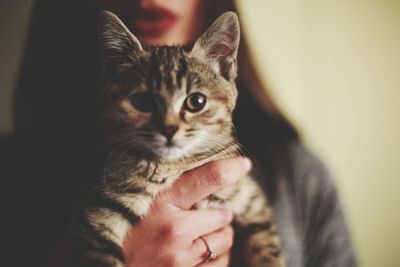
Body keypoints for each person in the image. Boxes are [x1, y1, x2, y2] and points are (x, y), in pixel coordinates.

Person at [7, 0, 358, 266]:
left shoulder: (299, 176)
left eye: (194, 101)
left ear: (224, 65)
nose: (171, 126)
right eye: (145, 101)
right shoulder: (14, 175)